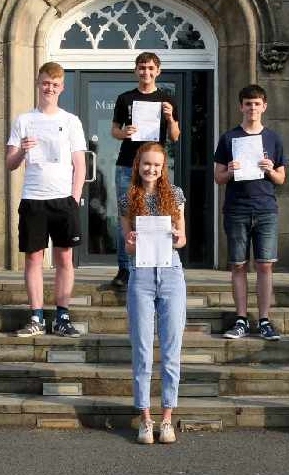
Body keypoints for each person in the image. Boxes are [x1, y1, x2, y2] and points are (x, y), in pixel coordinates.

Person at [6, 62, 86, 337]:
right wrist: (22, 152)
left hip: (63, 199)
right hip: (33, 198)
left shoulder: (71, 121)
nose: (49, 88)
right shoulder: (24, 120)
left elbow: (80, 164)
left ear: (61, 87)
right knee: (34, 259)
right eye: (45, 83)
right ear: (38, 84)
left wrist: (74, 199)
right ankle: (36, 316)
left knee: (64, 258)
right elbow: (9, 163)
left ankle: (62, 316)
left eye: (54, 84)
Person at [119, 142, 187, 444]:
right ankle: (146, 419)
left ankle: (168, 418)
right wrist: (132, 240)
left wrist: (174, 236)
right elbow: (127, 246)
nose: (151, 169)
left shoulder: (175, 195)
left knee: (171, 348)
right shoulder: (127, 199)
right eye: (147, 164)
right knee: (143, 349)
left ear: (163, 168)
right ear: (139, 165)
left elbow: (182, 240)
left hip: (171, 271)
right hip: (142, 272)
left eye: (157, 165)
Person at [213, 84, 287, 340]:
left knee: (265, 265)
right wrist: (230, 171)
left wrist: (270, 170)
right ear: (240, 106)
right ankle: (241, 318)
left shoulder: (273, 138)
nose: (252, 108)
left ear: (264, 106)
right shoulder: (228, 138)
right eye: (248, 103)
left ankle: (264, 319)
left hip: (266, 209)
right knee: (238, 265)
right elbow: (218, 178)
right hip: (237, 209)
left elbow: (281, 179)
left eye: (256, 104)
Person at [110, 52, 181, 288]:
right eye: (142, 68)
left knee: (156, 214)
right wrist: (126, 132)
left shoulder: (167, 100)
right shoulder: (124, 98)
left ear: (158, 71)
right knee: (127, 216)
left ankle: (153, 261)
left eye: (151, 68)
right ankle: (124, 268)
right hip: (126, 164)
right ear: (136, 70)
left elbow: (175, 137)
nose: (146, 72)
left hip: (154, 167)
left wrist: (170, 119)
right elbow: (115, 131)